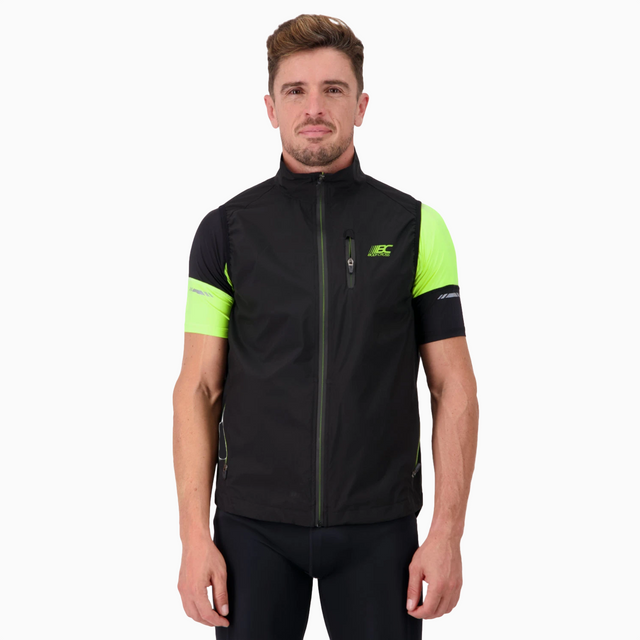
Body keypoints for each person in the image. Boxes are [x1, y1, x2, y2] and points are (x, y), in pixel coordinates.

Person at [173, 13, 479, 639]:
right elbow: (198, 388)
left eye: (333, 89)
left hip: (379, 528)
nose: (314, 108)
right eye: (296, 91)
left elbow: (454, 387)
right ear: (270, 108)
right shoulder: (224, 230)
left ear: (361, 105)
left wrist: (447, 534)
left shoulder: (417, 228)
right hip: (252, 530)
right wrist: (193, 538)